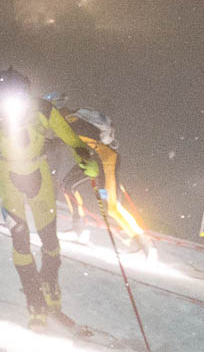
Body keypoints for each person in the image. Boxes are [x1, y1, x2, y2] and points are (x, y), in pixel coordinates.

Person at [0, 68, 100, 331]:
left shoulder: (43, 110)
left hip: (39, 174)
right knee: (21, 242)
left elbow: (72, 139)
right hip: (9, 178)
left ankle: (49, 286)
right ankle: (36, 304)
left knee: (50, 239)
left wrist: (85, 158)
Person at [48, 94, 146, 253]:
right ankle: (78, 230)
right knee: (68, 186)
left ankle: (142, 243)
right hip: (93, 160)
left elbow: (79, 138)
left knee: (112, 207)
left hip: (105, 161)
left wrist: (54, 143)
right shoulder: (71, 120)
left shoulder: (71, 121)